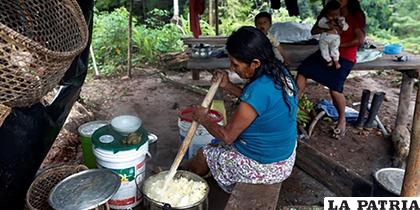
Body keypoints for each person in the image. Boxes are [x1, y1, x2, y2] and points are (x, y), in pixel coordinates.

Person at [182, 26, 298, 193]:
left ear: (255, 63)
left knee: (205, 154)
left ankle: (181, 178)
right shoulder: (279, 72)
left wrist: (203, 118)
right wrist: (228, 85)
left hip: (266, 166)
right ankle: (185, 172)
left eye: (235, 64)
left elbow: (227, 136)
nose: (231, 68)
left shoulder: (258, 89)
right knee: (216, 145)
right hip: (283, 155)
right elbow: (259, 103)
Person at [295, 0, 366, 139]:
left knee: (335, 88)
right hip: (325, 52)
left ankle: (342, 119)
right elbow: (314, 30)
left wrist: (337, 45)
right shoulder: (328, 11)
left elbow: (359, 40)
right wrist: (326, 29)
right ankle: (291, 108)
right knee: (303, 71)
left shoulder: (355, 15)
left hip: (345, 56)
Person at [317, 0, 349, 69]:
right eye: (331, 15)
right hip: (325, 37)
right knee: (323, 50)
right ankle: (329, 60)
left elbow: (346, 28)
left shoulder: (341, 19)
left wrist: (341, 25)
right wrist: (328, 24)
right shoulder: (324, 19)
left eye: (336, 15)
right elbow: (320, 24)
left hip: (335, 37)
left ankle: (336, 61)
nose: (334, 17)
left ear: (339, 12)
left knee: (334, 49)